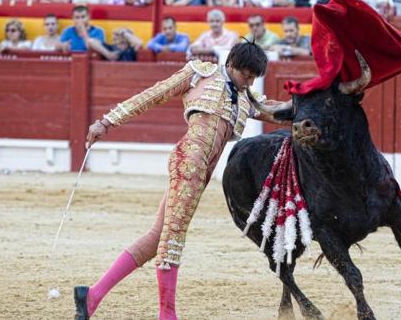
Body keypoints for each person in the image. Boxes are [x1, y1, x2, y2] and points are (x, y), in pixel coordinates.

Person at [74, 42, 290, 320]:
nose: (248, 82)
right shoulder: (200, 73)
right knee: (173, 236)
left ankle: (91, 297)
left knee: (156, 239)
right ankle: (167, 316)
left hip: (202, 171)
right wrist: (106, 122)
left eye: (253, 78)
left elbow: (277, 111)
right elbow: (152, 96)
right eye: (246, 75)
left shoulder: (247, 98)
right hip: (188, 161)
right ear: (232, 64)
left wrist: (314, 106)